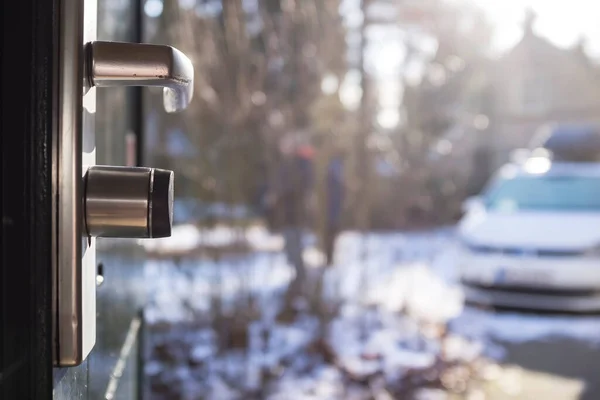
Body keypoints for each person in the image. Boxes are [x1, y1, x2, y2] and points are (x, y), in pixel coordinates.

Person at [324, 150, 344, 266]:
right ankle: (329, 258)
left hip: (333, 214)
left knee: (331, 235)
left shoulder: (335, 179)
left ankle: (329, 258)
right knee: (330, 235)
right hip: (331, 214)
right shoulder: (334, 179)